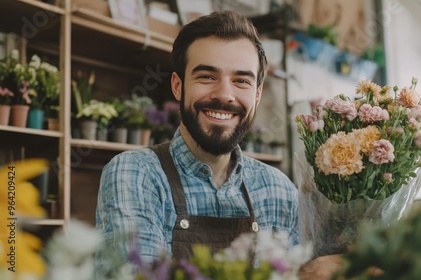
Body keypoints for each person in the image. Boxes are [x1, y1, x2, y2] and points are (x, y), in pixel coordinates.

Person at [95, 10, 341, 279]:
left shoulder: (278, 190)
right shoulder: (136, 174)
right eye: (207, 76)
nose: (225, 94)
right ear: (178, 86)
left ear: (257, 95)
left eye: (241, 81)